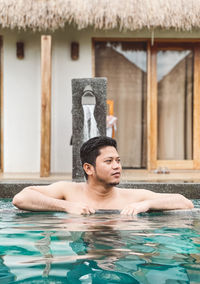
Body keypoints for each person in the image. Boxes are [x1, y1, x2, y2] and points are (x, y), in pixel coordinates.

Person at [12, 136, 194, 215]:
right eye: (109, 161)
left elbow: (185, 202)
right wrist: (66, 206)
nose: (117, 166)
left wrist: (147, 204)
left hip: (119, 252)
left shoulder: (133, 198)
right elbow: (21, 198)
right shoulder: (68, 191)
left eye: (118, 160)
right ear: (89, 168)